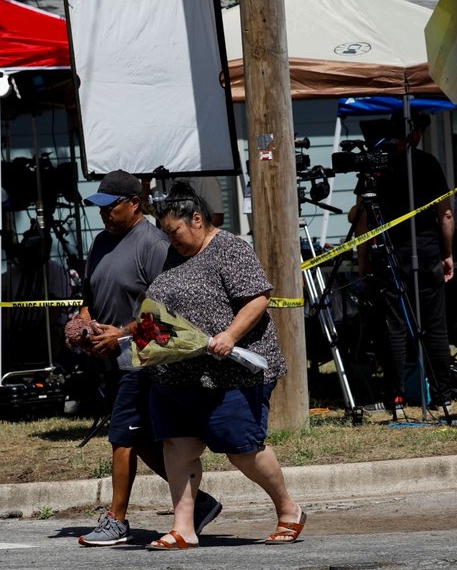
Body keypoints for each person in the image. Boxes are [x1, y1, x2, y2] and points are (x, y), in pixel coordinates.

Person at [143, 182, 305, 550]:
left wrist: (229, 334)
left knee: (242, 448)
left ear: (196, 219)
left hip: (232, 373)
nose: (172, 240)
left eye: (175, 231)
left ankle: (289, 509)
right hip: (180, 374)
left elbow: (259, 297)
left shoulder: (229, 248)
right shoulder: (176, 255)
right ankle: (183, 527)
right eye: (167, 234)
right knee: (178, 445)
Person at [72, 170, 220, 546]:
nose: (104, 215)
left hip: (142, 360)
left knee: (121, 437)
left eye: (112, 207)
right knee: (141, 440)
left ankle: (116, 520)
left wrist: (119, 335)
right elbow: (89, 298)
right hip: (109, 361)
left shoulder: (154, 244)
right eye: (100, 208)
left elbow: (169, 311)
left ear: (135, 203)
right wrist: (83, 326)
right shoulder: (102, 242)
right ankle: (198, 504)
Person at [356, 112, 454, 412]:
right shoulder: (428, 163)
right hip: (426, 252)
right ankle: (442, 395)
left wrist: (362, 262)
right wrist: (447, 252)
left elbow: (361, 220)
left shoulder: (375, 166)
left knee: (395, 327)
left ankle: (396, 396)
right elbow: (446, 214)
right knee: (435, 326)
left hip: (389, 254)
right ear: (415, 133)